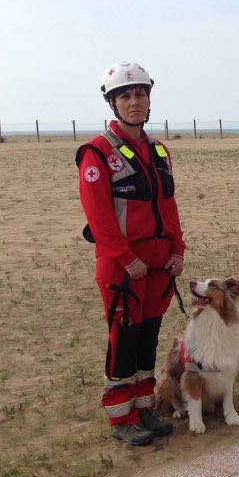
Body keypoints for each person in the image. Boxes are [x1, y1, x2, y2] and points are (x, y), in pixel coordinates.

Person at [76, 63, 184, 446]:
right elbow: (100, 218)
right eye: (125, 95)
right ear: (112, 103)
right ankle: (121, 418)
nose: (134, 101)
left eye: (140, 94)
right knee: (123, 341)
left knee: (147, 338)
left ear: (149, 100)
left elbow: (168, 207)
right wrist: (126, 259)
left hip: (157, 266)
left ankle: (143, 409)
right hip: (123, 268)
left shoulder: (158, 150)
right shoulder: (97, 153)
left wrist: (178, 250)